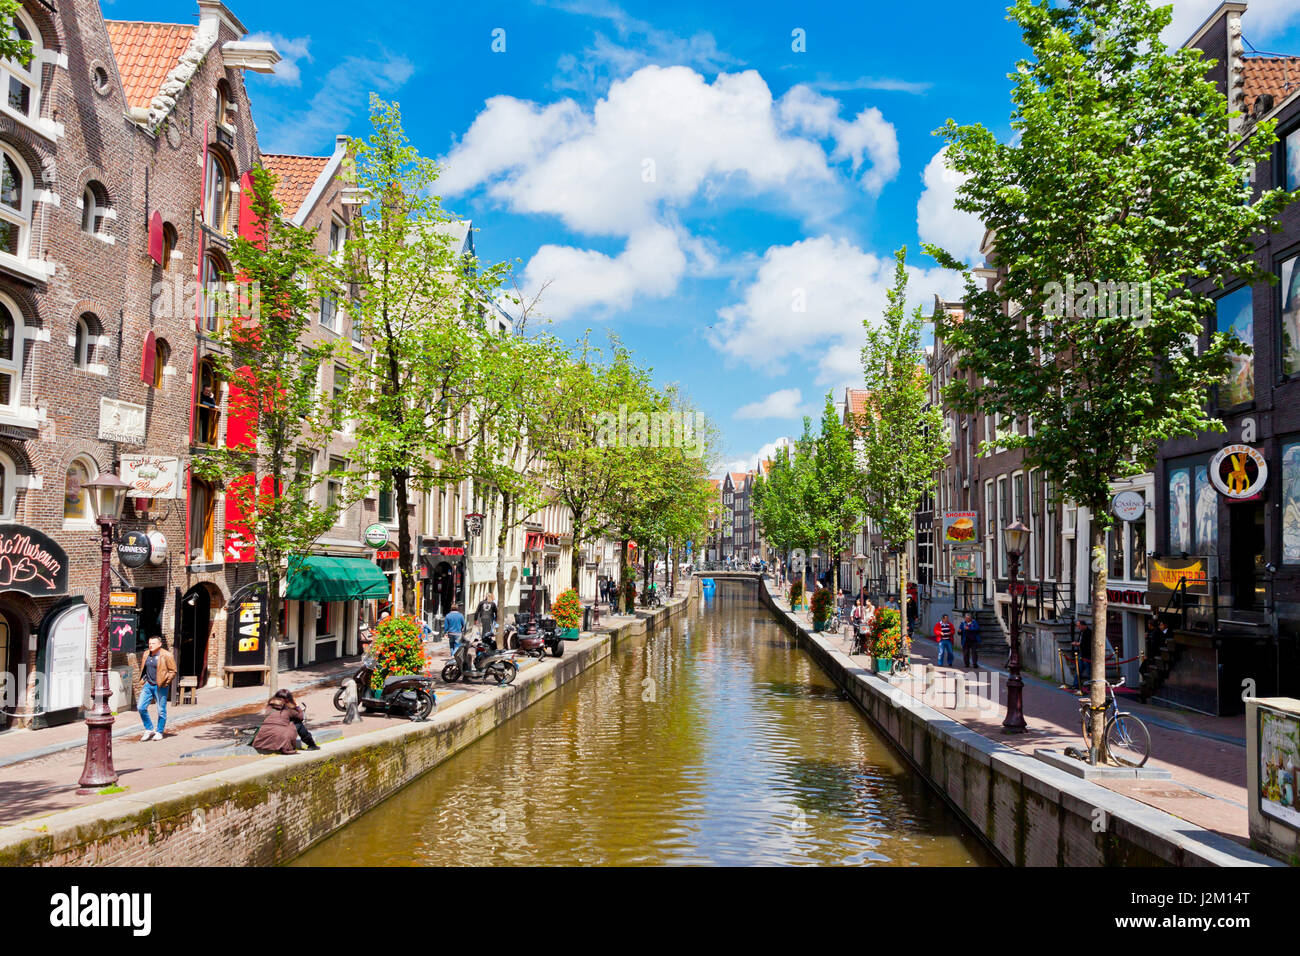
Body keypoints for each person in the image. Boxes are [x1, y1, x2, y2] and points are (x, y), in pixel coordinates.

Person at [134, 635, 175, 741]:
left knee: (161, 710)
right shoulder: (146, 654)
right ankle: (149, 729)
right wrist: (144, 679)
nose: (150, 645)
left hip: (160, 685)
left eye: (153, 643)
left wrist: (166, 682)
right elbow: (144, 668)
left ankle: (159, 731)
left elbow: (173, 671)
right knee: (141, 707)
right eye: (149, 643)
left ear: (160, 644)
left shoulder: (166, 655)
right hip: (148, 684)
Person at [252, 689, 319, 754]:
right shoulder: (288, 707)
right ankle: (312, 745)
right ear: (289, 699)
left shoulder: (270, 706)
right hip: (282, 741)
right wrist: (297, 706)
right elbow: (301, 717)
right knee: (298, 723)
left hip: (262, 740)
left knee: (285, 724)